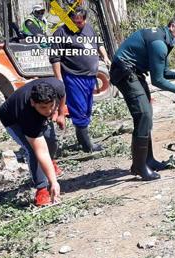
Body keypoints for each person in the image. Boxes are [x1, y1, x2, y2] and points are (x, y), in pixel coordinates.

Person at [109, 14, 175, 181]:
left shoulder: (164, 39)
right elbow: (157, 80)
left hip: (135, 73)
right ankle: (140, 167)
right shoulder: (159, 44)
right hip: (125, 73)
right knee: (143, 114)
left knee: (146, 114)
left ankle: (148, 160)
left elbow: (162, 71)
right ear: (173, 26)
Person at [49, 6, 111, 153]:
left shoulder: (89, 29)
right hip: (73, 77)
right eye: (74, 22)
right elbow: (55, 58)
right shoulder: (61, 33)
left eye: (80, 22)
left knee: (87, 109)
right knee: (80, 110)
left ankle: (83, 140)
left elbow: (98, 43)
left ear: (85, 20)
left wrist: (106, 57)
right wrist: (59, 79)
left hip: (90, 77)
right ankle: (87, 145)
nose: (77, 25)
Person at [0, 78, 66, 206]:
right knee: (33, 151)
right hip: (12, 119)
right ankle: (41, 190)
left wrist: (60, 113)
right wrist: (54, 182)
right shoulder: (27, 115)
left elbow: (62, 95)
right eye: (44, 107)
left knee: (51, 141)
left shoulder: (57, 87)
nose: (48, 111)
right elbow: (41, 151)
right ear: (33, 102)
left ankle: (50, 165)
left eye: (51, 105)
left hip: (34, 114)